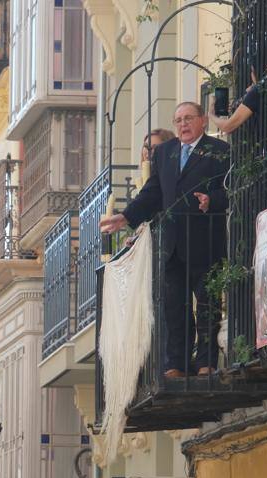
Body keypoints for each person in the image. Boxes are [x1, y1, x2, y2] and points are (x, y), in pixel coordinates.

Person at [100, 102, 230, 377]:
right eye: (178, 120)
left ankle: (205, 362)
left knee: (207, 305)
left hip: (206, 241)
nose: (183, 124)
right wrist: (126, 216)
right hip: (172, 244)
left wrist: (212, 200)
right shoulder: (164, 152)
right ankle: (176, 364)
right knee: (175, 309)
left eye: (189, 118)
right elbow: (153, 192)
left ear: (203, 121)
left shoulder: (219, 151)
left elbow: (230, 188)